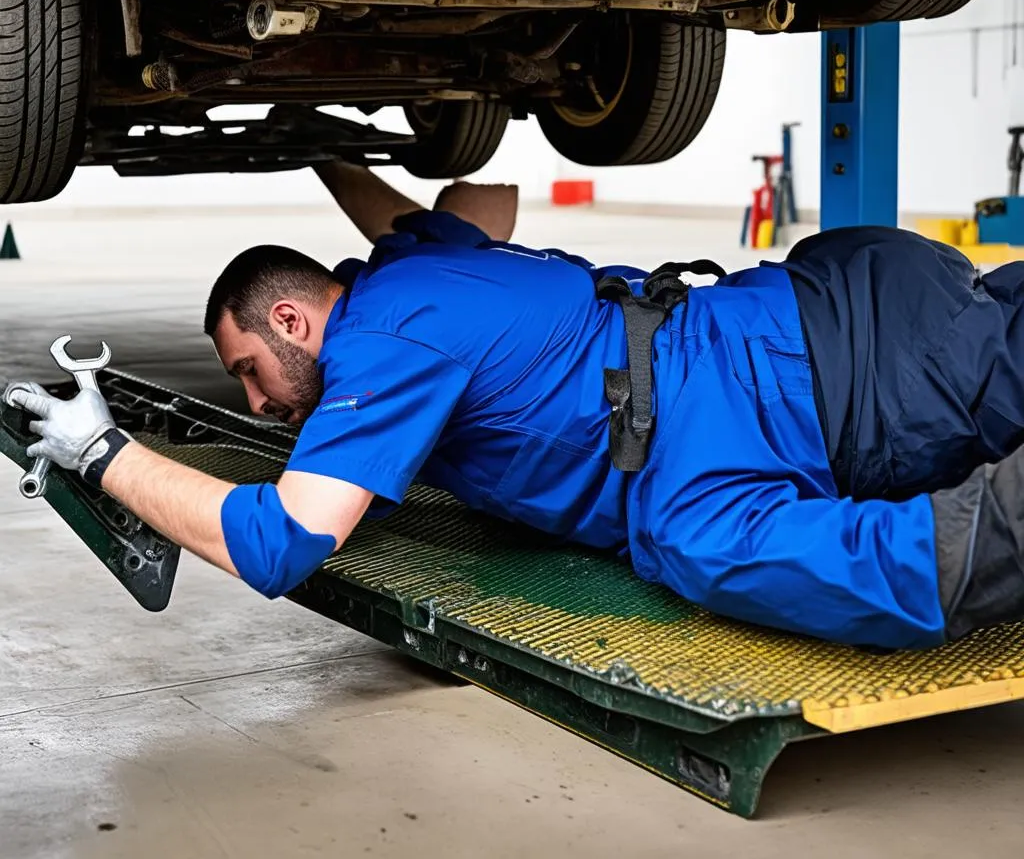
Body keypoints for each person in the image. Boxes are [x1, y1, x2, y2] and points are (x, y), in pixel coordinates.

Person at [10, 163, 1024, 651]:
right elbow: (478, 190)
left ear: (293, 317)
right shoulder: (419, 267)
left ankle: (1001, 538)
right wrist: (324, 143)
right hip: (819, 309)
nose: (261, 403)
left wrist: (104, 452)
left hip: (804, 381)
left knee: (692, 539)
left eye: (248, 370)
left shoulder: (380, 345)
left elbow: (281, 541)